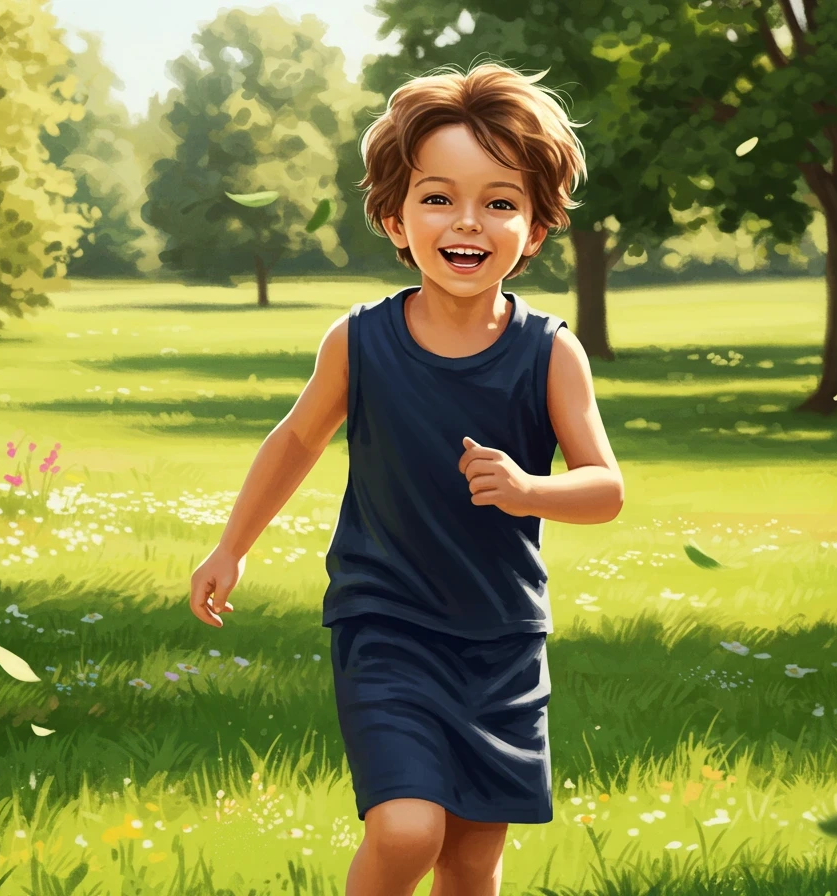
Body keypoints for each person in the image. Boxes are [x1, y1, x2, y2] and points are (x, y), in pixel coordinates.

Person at [189, 59, 624, 896]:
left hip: (501, 638)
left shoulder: (549, 352)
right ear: (394, 218)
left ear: (535, 229)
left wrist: (531, 490)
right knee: (408, 827)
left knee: (471, 860)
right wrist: (230, 547)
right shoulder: (361, 342)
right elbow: (295, 442)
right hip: (387, 627)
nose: (468, 222)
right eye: (438, 197)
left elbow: (605, 487)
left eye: (500, 201)